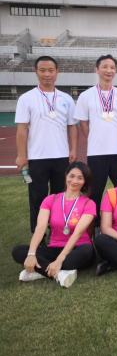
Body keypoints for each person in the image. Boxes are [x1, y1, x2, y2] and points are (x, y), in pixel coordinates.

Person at [15, 56, 78, 234]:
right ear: (35, 72)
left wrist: (73, 149)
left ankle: (58, 233)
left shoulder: (66, 98)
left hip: (61, 157)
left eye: (51, 70)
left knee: (61, 198)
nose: (47, 74)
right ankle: (39, 236)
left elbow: (72, 126)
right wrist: (22, 155)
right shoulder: (26, 98)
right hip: (37, 158)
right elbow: (22, 129)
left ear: (57, 72)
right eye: (42, 70)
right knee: (38, 199)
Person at [12, 161, 96, 288]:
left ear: (85, 181)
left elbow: (78, 233)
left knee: (86, 252)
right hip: (54, 248)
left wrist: (60, 258)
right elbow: (40, 228)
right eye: (72, 176)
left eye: (80, 178)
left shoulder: (88, 204)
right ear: (66, 176)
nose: (75, 181)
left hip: (78, 248)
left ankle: (40, 270)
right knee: (18, 251)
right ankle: (60, 273)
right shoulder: (50, 200)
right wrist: (31, 254)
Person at [73, 55, 117, 230]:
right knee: (95, 191)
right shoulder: (86, 96)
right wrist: (93, 138)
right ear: (97, 69)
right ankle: (95, 226)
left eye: (112, 67)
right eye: (105, 67)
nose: (109, 70)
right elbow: (83, 122)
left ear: (115, 71)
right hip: (96, 152)